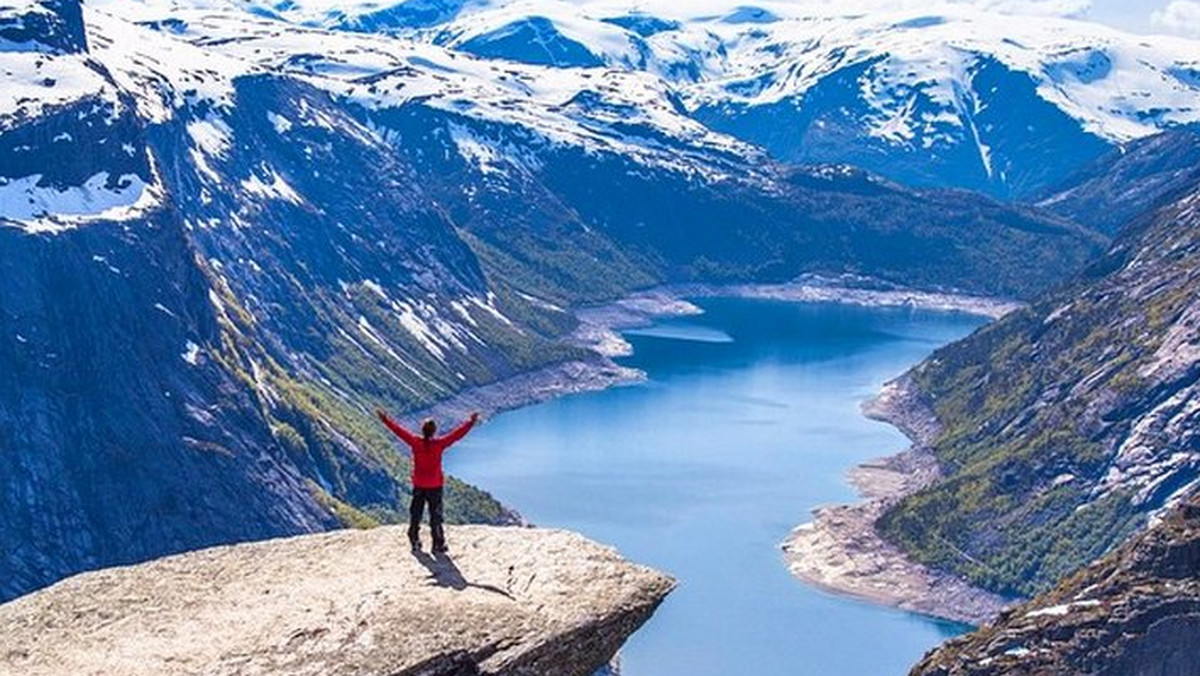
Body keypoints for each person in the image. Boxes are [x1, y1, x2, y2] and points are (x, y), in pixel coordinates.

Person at [376, 409, 480, 554]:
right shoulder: (439, 444)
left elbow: (399, 431)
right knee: (435, 515)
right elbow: (456, 435)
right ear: (434, 431)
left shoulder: (415, 442)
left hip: (419, 484)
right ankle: (438, 544)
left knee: (416, 513)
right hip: (435, 485)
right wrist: (471, 422)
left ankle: (414, 539)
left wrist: (385, 420)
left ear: (422, 430)